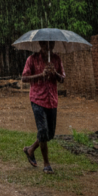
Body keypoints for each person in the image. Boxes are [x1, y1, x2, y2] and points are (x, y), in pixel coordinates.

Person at [21, 41, 65, 174]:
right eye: (45, 45)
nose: (48, 48)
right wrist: (41, 75)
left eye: (51, 45)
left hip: (52, 100)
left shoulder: (56, 59)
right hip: (37, 99)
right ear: (40, 45)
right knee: (43, 129)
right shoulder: (32, 59)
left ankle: (30, 150)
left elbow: (62, 78)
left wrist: (55, 73)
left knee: (50, 134)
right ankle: (46, 164)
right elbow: (24, 78)